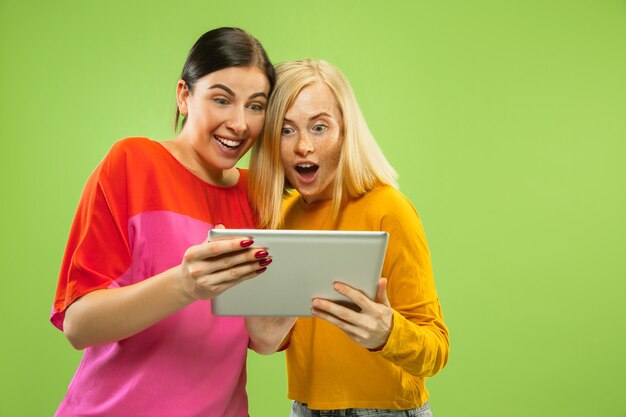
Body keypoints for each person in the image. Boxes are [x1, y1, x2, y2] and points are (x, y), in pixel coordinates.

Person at [50, 27, 283, 417]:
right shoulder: (132, 164)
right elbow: (78, 323)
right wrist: (185, 284)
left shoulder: (258, 197)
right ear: (184, 95)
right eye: (222, 100)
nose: (240, 124)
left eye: (256, 106)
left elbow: (263, 340)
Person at [249, 59, 450, 416]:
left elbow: (436, 350)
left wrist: (387, 334)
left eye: (320, 127)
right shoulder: (284, 216)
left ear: (345, 132)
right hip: (307, 410)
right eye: (286, 129)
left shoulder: (389, 209)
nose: (304, 147)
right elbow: (280, 336)